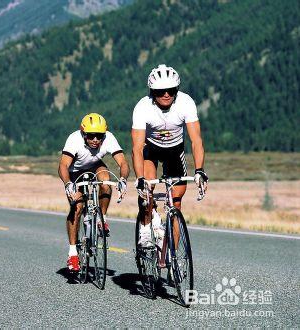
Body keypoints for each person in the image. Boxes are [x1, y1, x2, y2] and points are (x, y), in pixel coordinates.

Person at [131, 64, 208, 247]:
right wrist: (140, 178)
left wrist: (199, 170)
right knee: (147, 192)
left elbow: (196, 141)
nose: (166, 95)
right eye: (160, 91)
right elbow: (137, 148)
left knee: (176, 202)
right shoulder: (143, 107)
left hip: (175, 151)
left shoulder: (186, 103)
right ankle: (147, 225)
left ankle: (171, 256)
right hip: (151, 150)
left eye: (171, 90)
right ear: (152, 92)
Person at [59, 113, 130, 272]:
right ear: (83, 134)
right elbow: (63, 166)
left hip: (95, 165)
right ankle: (73, 253)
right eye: (91, 136)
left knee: (105, 182)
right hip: (74, 172)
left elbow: (123, 163)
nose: (96, 140)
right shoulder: (74, 139)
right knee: (77, 208)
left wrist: (123, 179)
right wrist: (68, 184)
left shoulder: (109, 138)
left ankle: (101, 218)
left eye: (99, 136)